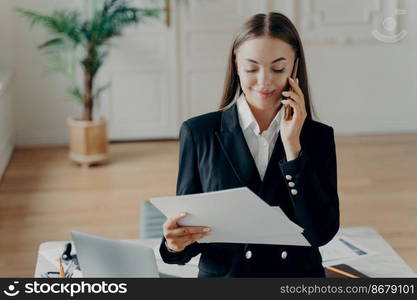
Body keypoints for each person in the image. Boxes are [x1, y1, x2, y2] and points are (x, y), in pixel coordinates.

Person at [159, 12, 339, 278]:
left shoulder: (317, 137)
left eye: (278, 68)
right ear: (236, 65)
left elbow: (320, 233)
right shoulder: (199, 133)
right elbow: (189, 233)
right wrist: (174, 244)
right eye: (251, 68)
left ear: (295, 66)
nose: (264, 81)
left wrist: (292, 148)